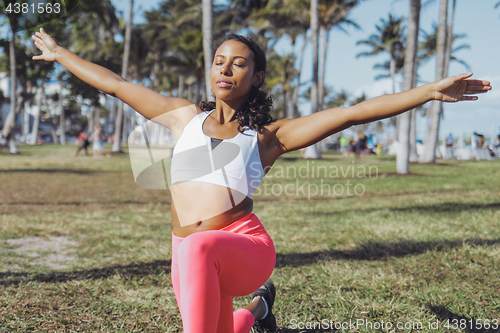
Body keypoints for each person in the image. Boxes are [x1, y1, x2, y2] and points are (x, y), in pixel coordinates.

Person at [31, 27, 491, 333]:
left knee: (198, 254)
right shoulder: (182, 117)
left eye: (238, 63)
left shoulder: (268, 137)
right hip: (186, 253)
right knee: (216, 319)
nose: (225, 69)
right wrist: (59, 54)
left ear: (256, 75)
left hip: (241, 246)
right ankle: (258, 309)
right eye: (219, 61)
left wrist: (428, 91)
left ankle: (255, 296)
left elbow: (351, 114)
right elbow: (114, 83)